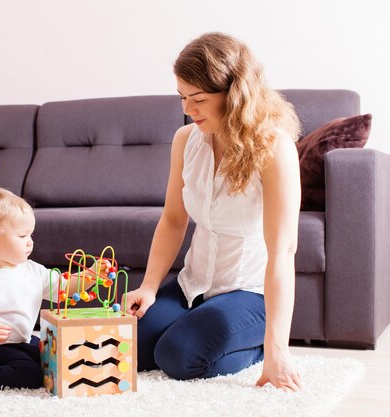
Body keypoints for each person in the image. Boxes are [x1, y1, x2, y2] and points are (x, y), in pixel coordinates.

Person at [123, 32, 303, 392]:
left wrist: (276, 348)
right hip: (194, 284)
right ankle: (201, 324)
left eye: (199, 99)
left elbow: (283, 251)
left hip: (249, 292)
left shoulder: (274, 148)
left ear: (235, 95)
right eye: (182, 97)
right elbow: (174, 220)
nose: (188, 110)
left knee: (178, 356)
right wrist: (149, 286)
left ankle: (258, 344)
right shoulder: (186, 140)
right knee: (128, 344)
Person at [0, 186, 94, 391]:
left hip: (21, 341)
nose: (30, 242)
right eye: (23, 236)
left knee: (51, 357)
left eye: (31, 235)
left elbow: (64, 287)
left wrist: (91, 276)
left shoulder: (33, 270)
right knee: (30, 374)